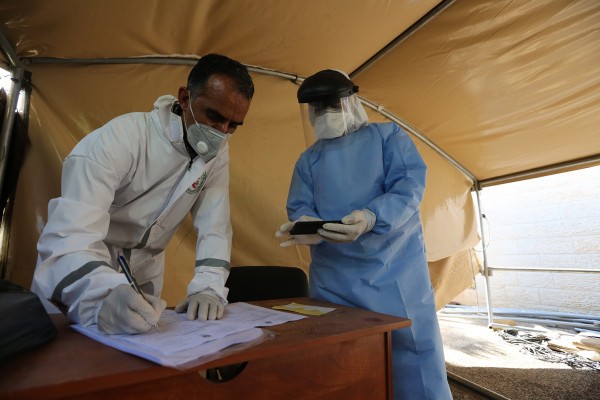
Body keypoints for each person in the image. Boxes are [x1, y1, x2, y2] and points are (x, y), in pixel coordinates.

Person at [32, 54, 254, 335]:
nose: (221, 133)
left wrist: (209, 287)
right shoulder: (120, 140)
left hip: (144, 275)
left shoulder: (217, 154)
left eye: (233, 125)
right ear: (185, 98)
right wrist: (100, 293)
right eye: (214, 116)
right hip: (81, 274)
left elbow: (215, 225)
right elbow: (70, 237)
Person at [275, 69, 452, 399]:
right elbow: (300, 206)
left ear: (351, 102)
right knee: (343, 365)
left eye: (331, 105)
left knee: (412, 360)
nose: (324, 113)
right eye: (317, 107)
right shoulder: (309, 160)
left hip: (394, 276)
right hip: (334, 282)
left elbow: (408, 188)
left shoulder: (388, 138)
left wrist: (371, 217)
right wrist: (307, 227)